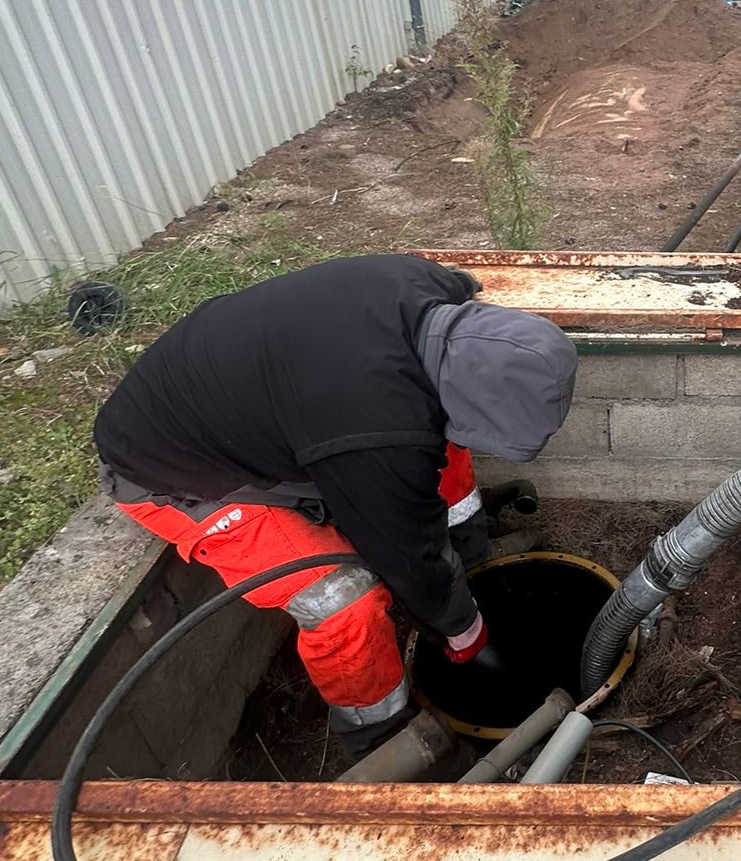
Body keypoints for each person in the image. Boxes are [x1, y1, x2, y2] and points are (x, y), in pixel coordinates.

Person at [93, 255, 577, 758]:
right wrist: (461, 627)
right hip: (171, 468)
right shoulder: (374, 430)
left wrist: (453, 585)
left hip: (258, 407)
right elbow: (405, 551)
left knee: (446, 442)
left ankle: (471, 561)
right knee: (343, 601)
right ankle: (383, 739)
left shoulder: (431, 284)